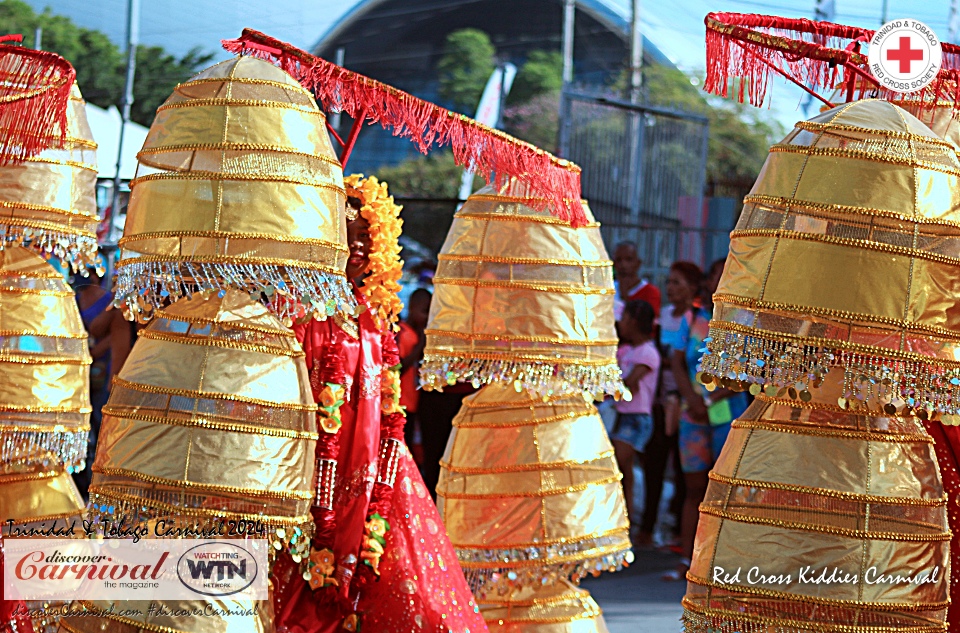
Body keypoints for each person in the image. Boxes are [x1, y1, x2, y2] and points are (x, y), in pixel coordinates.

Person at [273, 175, 485, 633]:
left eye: (365, 240)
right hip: (309, 467)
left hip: (373, 469)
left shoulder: (372, 318)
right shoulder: (299, 312)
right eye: (346, 239)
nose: (356, 250)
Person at [663, 260, 748, 581]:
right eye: (717, 275)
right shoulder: (692, 319)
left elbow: (744, 371)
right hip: (693, 416)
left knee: (726, 490)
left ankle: (725, 562)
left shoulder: (742, 322)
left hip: (727, 414)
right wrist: (693, 399)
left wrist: (711, 400)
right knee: (693, 487)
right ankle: (688, 560)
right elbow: (675, 360)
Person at [611, 300, 660, 532]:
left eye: (626, 319)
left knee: (622, 467)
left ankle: (627, 518)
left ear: (634, 322)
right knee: (623, 470)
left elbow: (630, 384)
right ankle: (625, 517)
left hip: (637, 418)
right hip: (623, 415)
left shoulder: (648, 353)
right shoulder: (627, 351)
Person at [397, 287, 430, 466]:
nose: (426, 318)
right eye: (424, 311)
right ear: (412, 307)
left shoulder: (416, 333)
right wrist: (419, 347)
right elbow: (398, 367)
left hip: (413, 401)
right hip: (401, 401)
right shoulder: (402, 332)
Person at [612, 241, 661, 319]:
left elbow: (648, 325)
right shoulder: (608, 289)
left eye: (629, 259)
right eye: (619, 260)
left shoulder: (650, 292)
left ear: (638, 263)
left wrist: (625, 297)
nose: (623, 265)